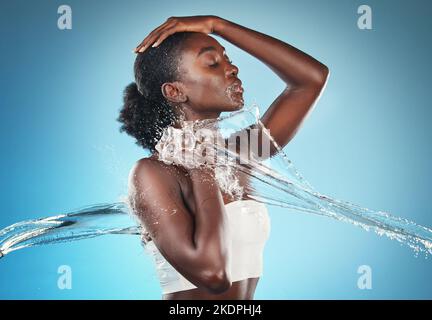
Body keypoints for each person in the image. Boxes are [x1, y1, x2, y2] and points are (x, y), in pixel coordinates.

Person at [118, 15, 329, 300]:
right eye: (212, 63)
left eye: (227, 58)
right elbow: (212, 275)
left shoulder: (239, 153)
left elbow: (310, 81)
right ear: (175, 91)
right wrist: (200, 167)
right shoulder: (152, 173)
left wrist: (219, 26)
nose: (233, 68)